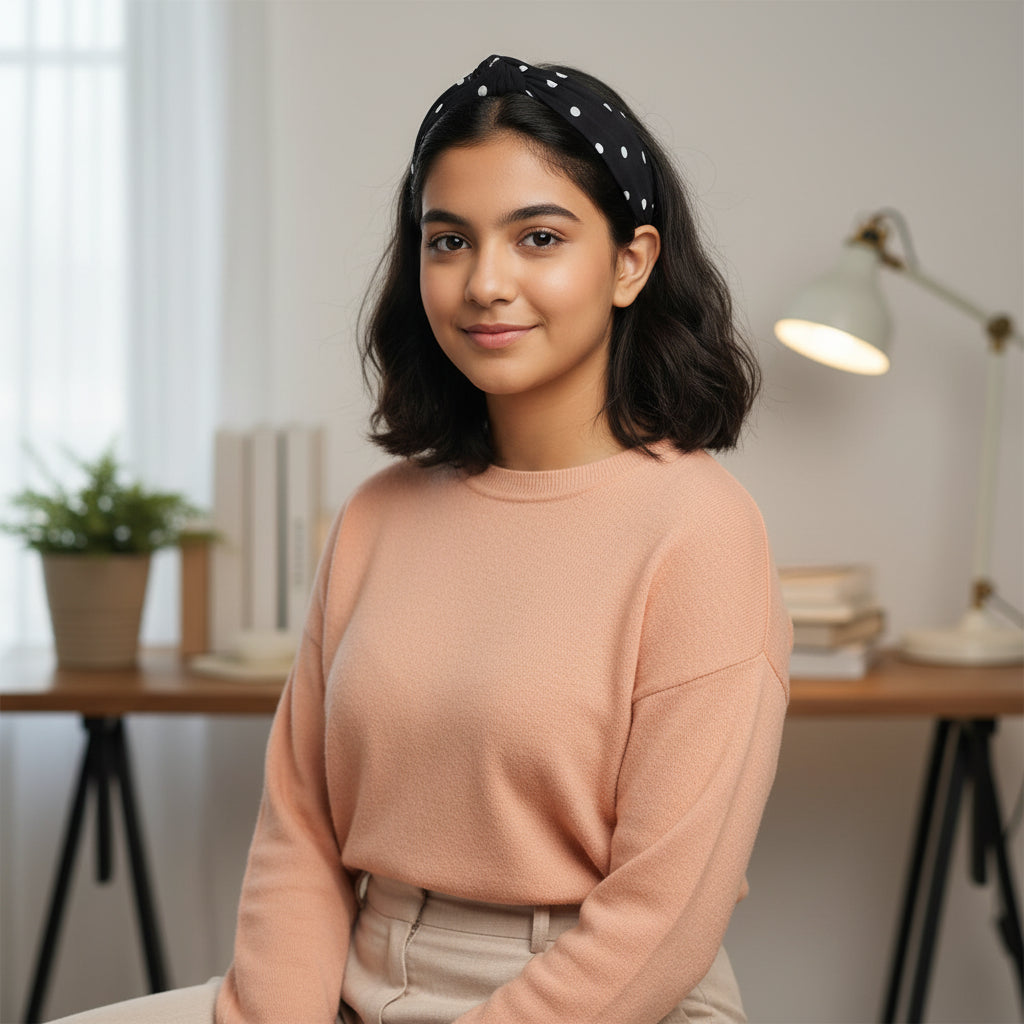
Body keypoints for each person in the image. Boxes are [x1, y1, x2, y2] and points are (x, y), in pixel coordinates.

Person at [47, 54, 791, 1024]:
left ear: (630, 262)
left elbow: (664, 913)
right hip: (357, 977)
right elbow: (302, 830)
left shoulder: (701, 530)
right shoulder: (378, 514)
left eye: (537, 237)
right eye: (448, 241)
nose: (485, 282)